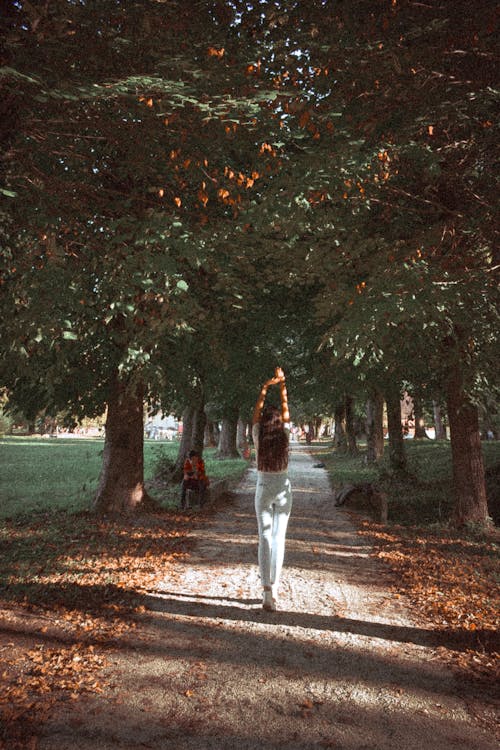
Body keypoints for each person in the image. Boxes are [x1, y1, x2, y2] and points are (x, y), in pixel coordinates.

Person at [252, 367, 292, 611]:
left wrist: (266, 387)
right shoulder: (285, 437)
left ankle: (267, 591)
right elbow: (287, 415)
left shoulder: (259, 437)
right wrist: (283, 385)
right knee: (279, 538)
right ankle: (275, 588)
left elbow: (256, 415)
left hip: (263, 487)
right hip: (283, 489)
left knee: (264, 538)